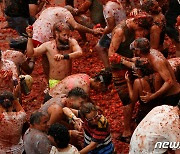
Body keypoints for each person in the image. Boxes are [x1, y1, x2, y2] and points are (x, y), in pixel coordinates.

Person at [108, 13, 153, 141]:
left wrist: (133, 61)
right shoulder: (120, 31)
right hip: (119, 70)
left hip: (131, 64)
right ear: (138, 25)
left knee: (135, 94)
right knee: (127, 100)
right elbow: (111, 54)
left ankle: (133, 121)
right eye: (142, 31)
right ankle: (126, 132)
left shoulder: (137, 21)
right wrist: (128, 62)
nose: (143, 34)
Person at [26, 22, 83, 89]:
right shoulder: (48, 46)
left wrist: (64, 56)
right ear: (57, 33)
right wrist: (30, 37)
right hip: (55, 81)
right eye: (64, 35)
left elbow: (79, 52)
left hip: (68, 80)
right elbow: (31, 53)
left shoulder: (72, 42)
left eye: (68, 35)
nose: (67, 37)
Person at [130, 38, 180, 106]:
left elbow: (169, 82)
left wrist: (152, 96)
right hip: (166, 95)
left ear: (138, 51)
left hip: (172, 96)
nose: (133, 52)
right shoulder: (149, 53)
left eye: (134, 50)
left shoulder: (157, 61)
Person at [31, 6, 103, 46]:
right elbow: (76, 26)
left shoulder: (51, 9)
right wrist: (92, 31)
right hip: (42, 41)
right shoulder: (66, 13)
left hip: (31, 38)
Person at [95, 0, 126, 69]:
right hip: (123, 28)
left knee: (101, 48)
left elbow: (111, 26)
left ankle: (108, 69)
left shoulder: (108, 8)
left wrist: (101, 32)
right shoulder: (116, 2)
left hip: (116, 31)